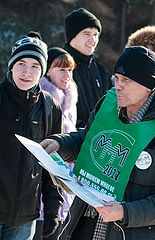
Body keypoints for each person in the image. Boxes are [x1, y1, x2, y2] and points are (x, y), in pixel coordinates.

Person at [40, 46, 155, 240]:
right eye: (117, 78)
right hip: (84, 225)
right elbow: (88, 141)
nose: (117, 86)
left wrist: (124, 212)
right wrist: (60, 144)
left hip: (129, 233)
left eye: (126, 80)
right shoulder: (108, 105)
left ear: (148, 85)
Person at [0, 32, 63, 239]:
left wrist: (53, 206)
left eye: (35, 66)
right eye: (21, 64)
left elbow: (52, 161)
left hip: (25, 218)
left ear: (42, 71)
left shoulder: (50, 107)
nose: (27, 72)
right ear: (11, 66)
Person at [33, 47, 78, 240]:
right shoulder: (42, 100)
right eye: (61, 69)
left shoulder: (70, 102)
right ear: (47, 70)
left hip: (66, 184)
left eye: (70, 69)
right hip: (42, 188)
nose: (67, 74)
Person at [64, 7, 112, 128]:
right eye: (86, 34)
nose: (93, 40)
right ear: (72, 36)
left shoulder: (101, 71)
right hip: (70, 141)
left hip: (100, 140)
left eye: (95, 34)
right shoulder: (60, 66)